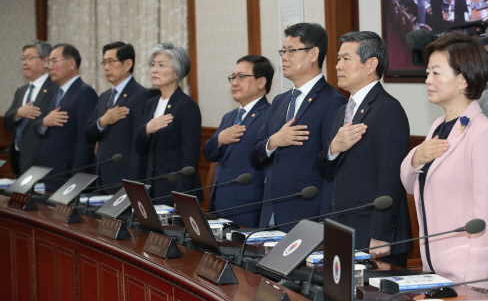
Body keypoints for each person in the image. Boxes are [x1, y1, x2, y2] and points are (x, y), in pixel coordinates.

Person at [400, 32, 488, 298]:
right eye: (427, 73)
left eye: (436, 73)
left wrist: (475, 283)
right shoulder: (439, 126)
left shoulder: (485, 133)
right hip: (435, 268)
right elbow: (411, 186)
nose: (427, 80)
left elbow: (487, 218)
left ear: (463, 79)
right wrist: (416, 158)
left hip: (470, 277)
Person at [318, 31, 412, 267]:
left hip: (374, 236)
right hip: (343, 227)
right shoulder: (343, 111)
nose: (338, 66)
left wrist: (380, 235)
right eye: (338, 59)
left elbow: (391, 178)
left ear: (371, 64)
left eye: (346, 59)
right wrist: (334, 148)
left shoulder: (388, 109)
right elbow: (327, 171)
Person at [249, 23, 347, 231]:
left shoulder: (333, 101)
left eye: (291, 51)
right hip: (270, 213)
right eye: (282, 51)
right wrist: (274, 141)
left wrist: (324, 223)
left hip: (306, 215)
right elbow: (255, 155)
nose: (284, 57)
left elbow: (332, 169)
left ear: (313, 54)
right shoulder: (279, 101)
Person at [203, 55, 273, 227]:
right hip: (218, 204)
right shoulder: (230, 117)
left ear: (261, 82)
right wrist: (220, 139)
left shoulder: (270, 116)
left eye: (241, 77)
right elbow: (209, 153)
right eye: (233, 77)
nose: (234, 83)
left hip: (247, 208)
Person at [135, 43, 202, 206]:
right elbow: (139, 146)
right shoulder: (150, 103)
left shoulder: (187, 106)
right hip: (150, 187)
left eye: (161, 65)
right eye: (153, 65)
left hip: (174, 189)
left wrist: (181, 195)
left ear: (177, 72)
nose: (154, 70)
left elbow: (190, 158)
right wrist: (147, 130)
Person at [85, 42, 151, 194]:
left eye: (111, 62)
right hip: (102, 176)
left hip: (125, 179)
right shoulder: (104, 97)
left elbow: (140, 145)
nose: (106, 67)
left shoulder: (140, 96)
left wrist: (134, 184)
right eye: (104, 62)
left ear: (128, 64)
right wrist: (102, 121)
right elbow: (88, 134)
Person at [35, 44, 98, 191]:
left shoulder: (85, 93)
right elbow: (36, 126)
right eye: (48, 63)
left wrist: (76, 179)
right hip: (50, 173)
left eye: (54, 61)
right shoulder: (54, 93)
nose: (49, 67)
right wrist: (44, 122)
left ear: (71, 63)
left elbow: (85, 140)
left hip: (68, 176)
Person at [4, 40, 57, 176]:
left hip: (41, 161)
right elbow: (7, 124)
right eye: (23, 58)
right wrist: (18, 113)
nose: (24, 62)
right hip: (17, 158)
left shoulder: (55, 89)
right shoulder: (21, 91)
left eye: (29, 58)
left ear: (45, 61)